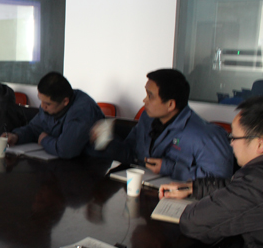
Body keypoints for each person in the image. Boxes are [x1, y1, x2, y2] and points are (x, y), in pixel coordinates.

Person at [159, 96, 263, 248]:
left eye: (234, 137)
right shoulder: (255, 177)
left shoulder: (255, 183)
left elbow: (193, 222)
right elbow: (234, 185)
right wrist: (193, 188)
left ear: (260, 144)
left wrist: (199, 206)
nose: (231, 143)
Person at [93, 69, 233, 181]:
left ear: (170, 104)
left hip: (180, 200)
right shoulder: (147, 119)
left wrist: (171, 168)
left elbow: (219, 181)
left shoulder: (206, 136)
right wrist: (106, 142)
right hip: (143, 190)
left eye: (150, 96)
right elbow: (131, 153)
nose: (144, 100)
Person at [4, 72, 104, 159]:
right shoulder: (51, 106)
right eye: (41, 100)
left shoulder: (82, 110)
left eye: (47, 104)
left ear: (65, 101)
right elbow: (34, 128)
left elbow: (66, 149)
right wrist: (16, 136)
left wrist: (44, 140)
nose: (42, 106)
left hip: (92, 166)